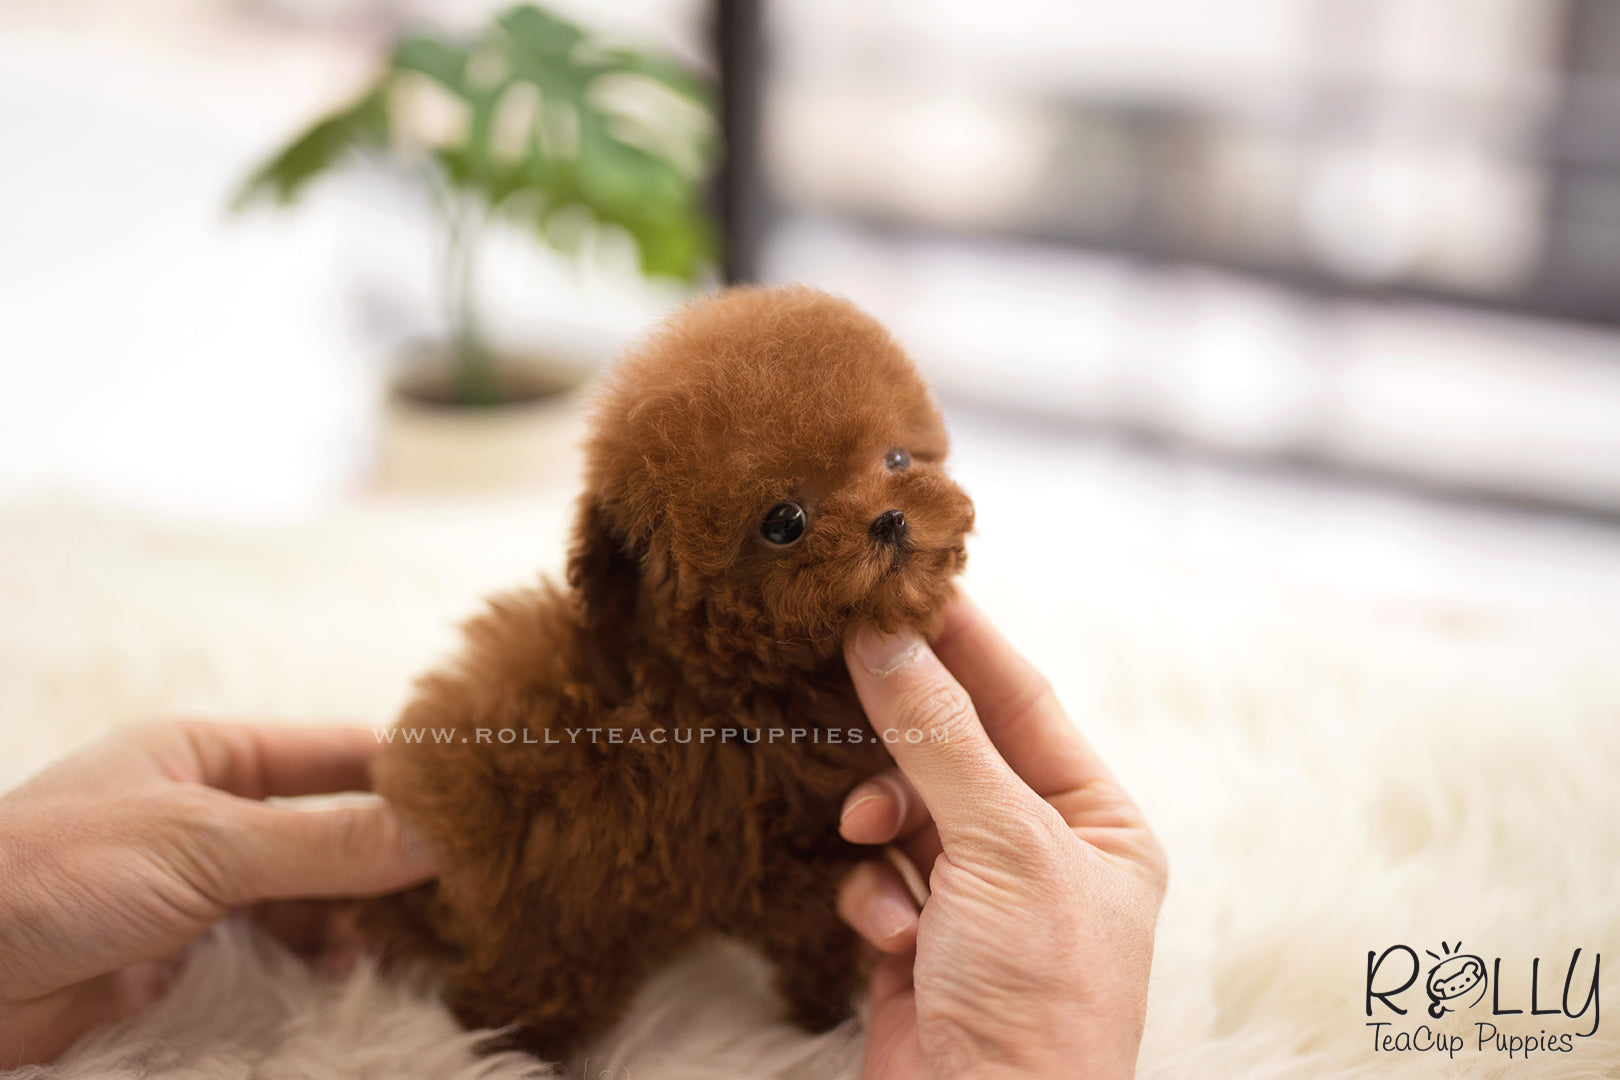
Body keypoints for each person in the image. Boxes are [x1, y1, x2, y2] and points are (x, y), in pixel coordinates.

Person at [0, 595, 1166, 1077]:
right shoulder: (572, 719)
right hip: (515, 898)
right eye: (783, 522)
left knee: (830, 868)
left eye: (910, 462)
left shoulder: (849, 745)